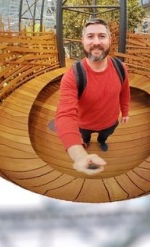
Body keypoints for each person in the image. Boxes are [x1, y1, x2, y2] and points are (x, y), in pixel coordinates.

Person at [55, 18, 130, 175]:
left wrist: (125, 111)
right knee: (85, 138)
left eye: (102, 36)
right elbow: (65, 114)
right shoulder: (73, 76)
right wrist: (79, 155)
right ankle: (86, 142)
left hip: (110, 121)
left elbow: (124, 91)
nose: (96, 42)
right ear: (82, 41)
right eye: (90, 36)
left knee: (105, 136)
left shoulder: (120, 68)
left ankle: (102, 141)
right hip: (84, 124)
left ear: (110, 40)